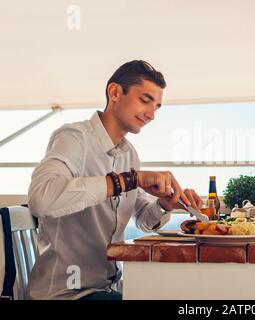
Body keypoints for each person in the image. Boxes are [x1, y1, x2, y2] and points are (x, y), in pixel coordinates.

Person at [26, 60, 203, 300]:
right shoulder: (74, 138)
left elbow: (143, 219)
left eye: (157, 107)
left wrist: (164, 205)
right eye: (145, 100)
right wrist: (127, 180)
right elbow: (41, 199)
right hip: (67, 294)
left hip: (109, 289)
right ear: (115, 92)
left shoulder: (129, 154)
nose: (152, 115)